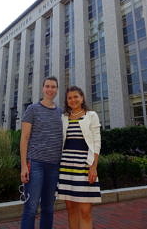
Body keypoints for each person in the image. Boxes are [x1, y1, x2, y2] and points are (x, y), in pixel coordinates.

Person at [20, 76, 63, 229]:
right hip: (35, 164)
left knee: (48, 209)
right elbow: (24, 138)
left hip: (54, 166)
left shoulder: (61, 113)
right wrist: (24, 166)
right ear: (43, 88)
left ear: (57, 90)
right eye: (47, 86)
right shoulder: (32, 109)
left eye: (53, 87)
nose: (50, 89)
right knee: (31, 208)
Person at [57, 86, 101, 229]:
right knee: (71, 209)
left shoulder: (91, 115)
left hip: (84, 167)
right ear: (66, 101)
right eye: (70, 98)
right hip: (66, 168)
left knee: (85, 211)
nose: (73, 100)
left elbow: (96, 142)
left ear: (82, 98)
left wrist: (93, 167)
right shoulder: (63, 117)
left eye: (76, 96)